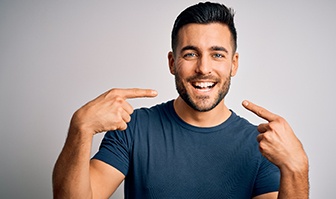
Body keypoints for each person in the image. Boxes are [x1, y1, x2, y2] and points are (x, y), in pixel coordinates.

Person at [53, 2, 309, 199]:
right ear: (172, 63)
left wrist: (297, 168)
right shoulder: (133, 128)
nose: (203, 68)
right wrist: (80, 128)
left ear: (234, 64)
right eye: (190, 54)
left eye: (217, 54)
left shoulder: (262, 145)